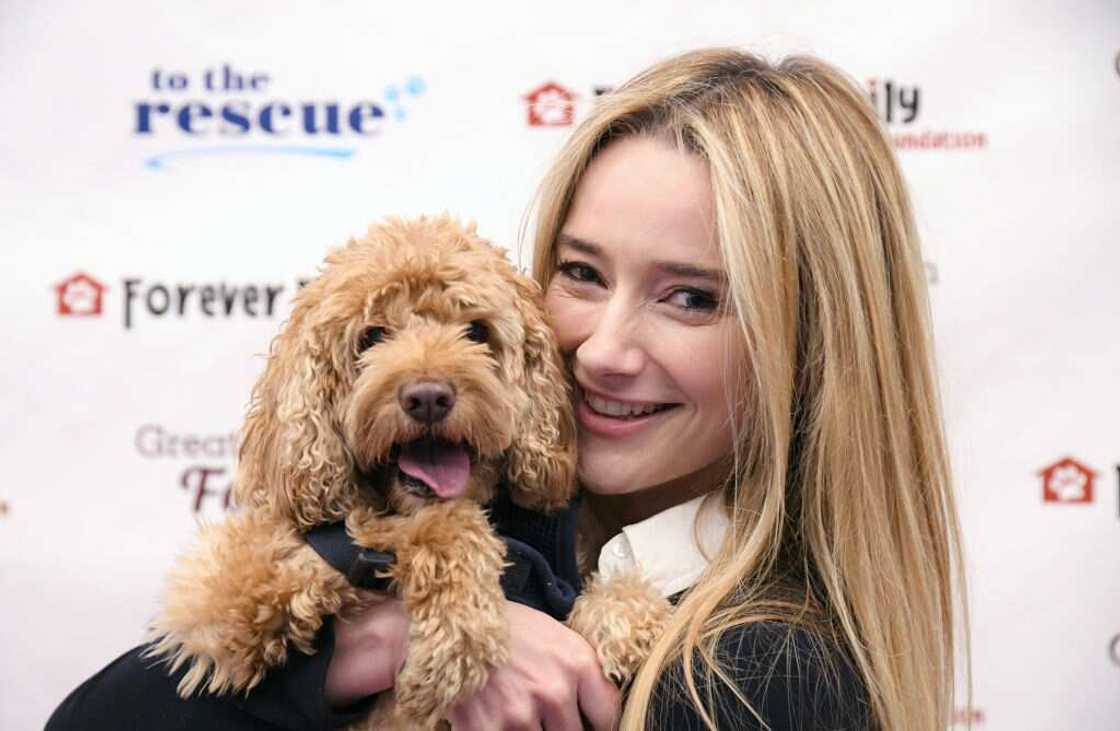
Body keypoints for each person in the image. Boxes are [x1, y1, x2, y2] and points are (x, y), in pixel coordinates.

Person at [48, 48, 968, 731]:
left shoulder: (758, 674)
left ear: (810, 347)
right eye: (581, 273)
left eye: (691, 297)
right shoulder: (513, 536)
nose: (603, 350)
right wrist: (377, 640)